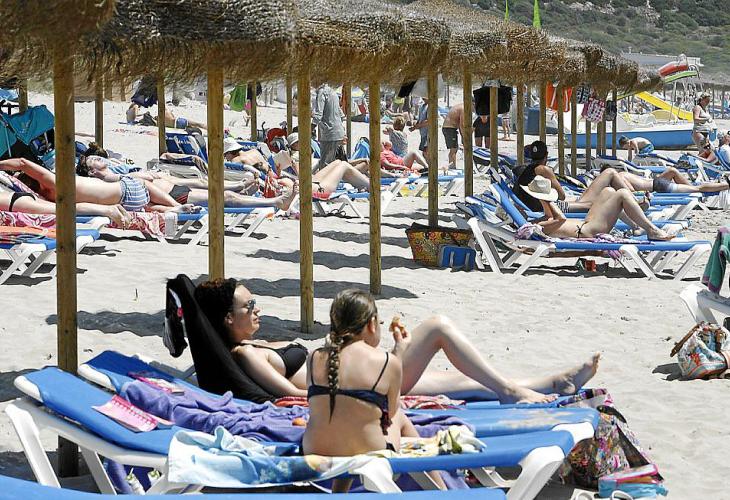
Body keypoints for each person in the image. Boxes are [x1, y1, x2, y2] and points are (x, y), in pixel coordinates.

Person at [194, 280, 601, 406]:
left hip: (361, 373)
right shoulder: (245, 354)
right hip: (359, 385)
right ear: (228, 319)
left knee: (458, 381)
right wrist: (368, 387)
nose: (258, 309)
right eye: (250, 305)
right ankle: (513, 391)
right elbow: (295, 396)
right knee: (438, 327)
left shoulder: (258, 344)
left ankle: (553, 383)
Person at [0, 158, 198, 214]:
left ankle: (171, 210)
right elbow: (22, 163)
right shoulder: (55, 182)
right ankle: (175, 206)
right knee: (143, 182)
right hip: (129, 188)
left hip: (125, 204)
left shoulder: (48, 198)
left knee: (148, 208)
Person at [521, 175, 675, 240]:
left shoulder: (544, 218)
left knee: (608, 191)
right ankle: (651, 230)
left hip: (587, 223)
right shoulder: (534, 225)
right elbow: (561, 218)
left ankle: (636, 225)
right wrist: (548, 201)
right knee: (622, 194)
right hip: (588, 231)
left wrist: (546, 202)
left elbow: (554, 217)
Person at [0, 190, 131, 227]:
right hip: (17, 198)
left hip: (16, 204)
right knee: (67, 207)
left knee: (67, 209)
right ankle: (110, 208)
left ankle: (108, 210)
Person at [312, 84, 346, 172]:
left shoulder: (322, 92)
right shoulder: (333, 92)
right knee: (332, 162)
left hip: (329, 133)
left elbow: (318, 115)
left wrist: (310, 129)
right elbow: (341, 115)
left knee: (325, 164)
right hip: (338, 132)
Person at [441, 103, 464, 170]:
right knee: (453, 149)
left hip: (449, 128)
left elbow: (460, 124)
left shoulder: (460, 106)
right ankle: (452, 167)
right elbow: (462, 125)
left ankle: (453, 166)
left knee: (454, 148)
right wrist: (463, 137)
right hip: (450, 128)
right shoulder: (463, 108)